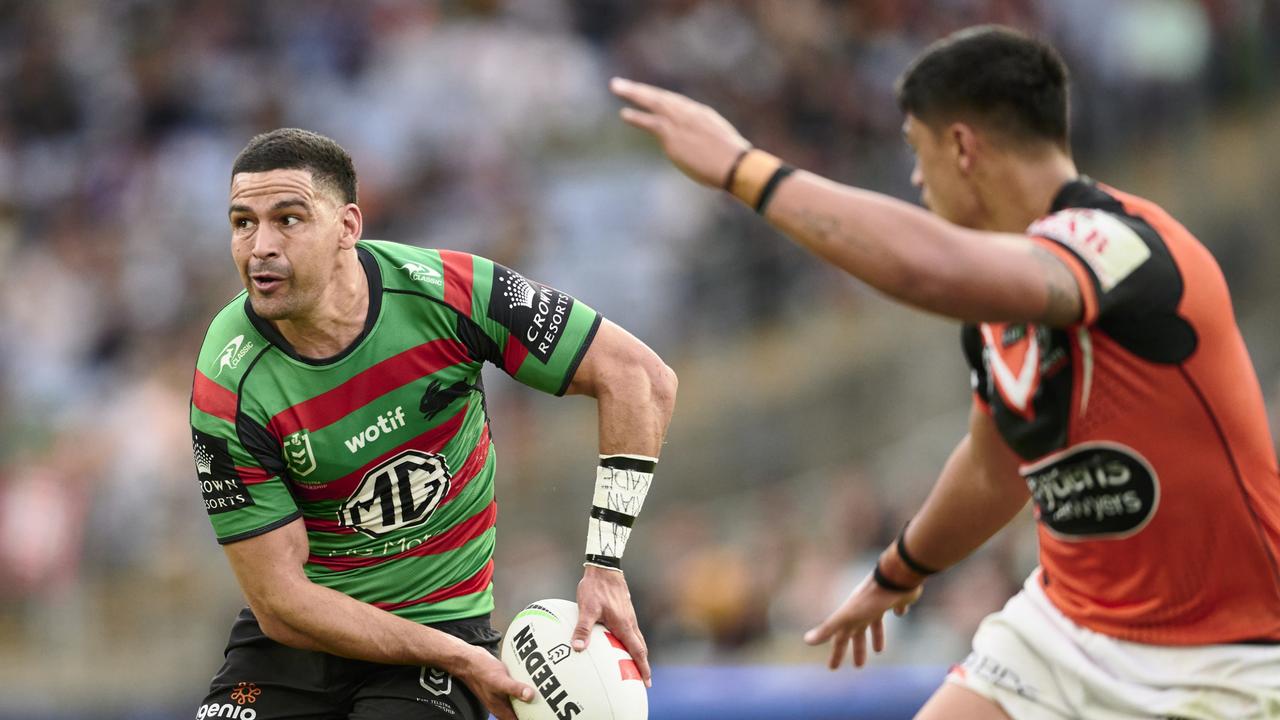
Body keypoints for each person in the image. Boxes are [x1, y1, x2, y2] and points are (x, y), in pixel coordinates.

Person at [612, 24, 1280, 720]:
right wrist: (899, 569)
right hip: (1066, 631)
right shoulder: (1003, 297)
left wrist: (743, 169)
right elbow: (994, 468)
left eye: (915, 150)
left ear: (961, 146)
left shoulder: (1122, 247)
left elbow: (928, 270)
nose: (914, 178)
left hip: (1224, 652)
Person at [189, 128, 676, 720]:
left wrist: (605, 565)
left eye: (288, 219)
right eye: (243, 223)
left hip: (439, 629)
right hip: (300, 643)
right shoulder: (227, 379)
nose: (259, 246)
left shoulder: (450, 292)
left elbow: (640, 379)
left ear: (347, 226)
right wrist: (463, 659)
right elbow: (279, 601)